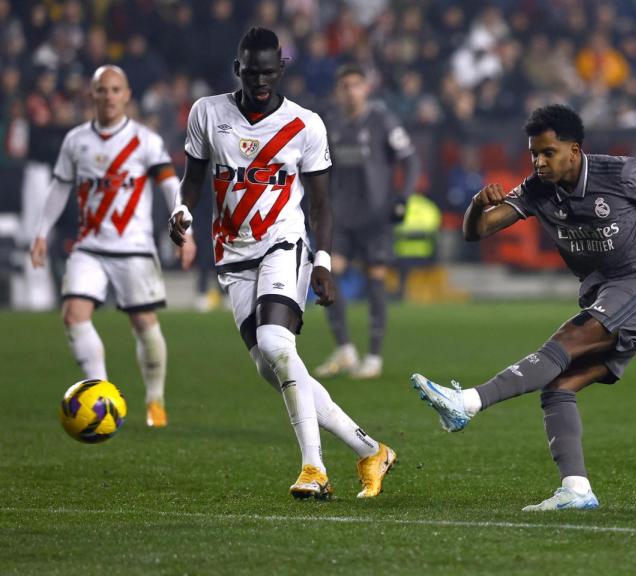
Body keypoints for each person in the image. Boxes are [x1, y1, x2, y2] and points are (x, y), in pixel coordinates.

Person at [411, 104, 636, 510]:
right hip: (605, 295)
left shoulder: (624, 173)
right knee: (558, 387)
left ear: (574, 150)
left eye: (548, 153)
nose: (539, 161)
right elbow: (477, 232)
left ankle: (467, 402)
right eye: (534, 153)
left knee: (567, 339)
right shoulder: (538, 189)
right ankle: (576, 489)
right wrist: (475, 204)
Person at [168, 27, 395, 500]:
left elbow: (321, 204)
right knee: (272, 367)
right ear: (238, 70)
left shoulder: (306, 124)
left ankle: (314, 468)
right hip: (231, 255)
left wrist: (324, 261)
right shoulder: (207, 113)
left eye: (269, 72)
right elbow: (192, 180)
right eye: (252, 73)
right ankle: (370, 450)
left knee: (276, 342)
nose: (260, 81)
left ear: (282, 69)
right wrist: (182, 211)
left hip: (283, 244)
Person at [30, 65, 193, 429]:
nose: (108, 96)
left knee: (144, 323)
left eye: (115, 89)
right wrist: (41, 232)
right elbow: (59, 187)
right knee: (73, 315)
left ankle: (155, 400)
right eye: (102, 90)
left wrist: (186, 229)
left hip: (134, 247)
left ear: (127, 95)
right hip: (89, 246)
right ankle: (102, 396)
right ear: (92, 95)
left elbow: (170, 186)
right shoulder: (75, 140)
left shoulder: (145, 141)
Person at [313, 64, 421, 380]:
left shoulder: (382, 120)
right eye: (344, 85)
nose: (350, 91)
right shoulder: (329, 123)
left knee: (375, 278)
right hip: (341, 216)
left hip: (376, 216)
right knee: (329, 275)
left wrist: (403, 197)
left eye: (356, 85)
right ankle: (345, 349)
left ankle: (373, 356)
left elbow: (411, 160)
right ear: (337, 91)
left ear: (366, 88)